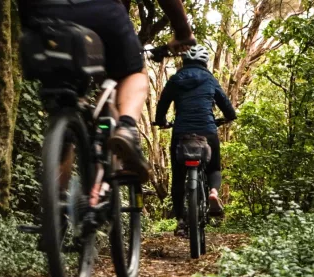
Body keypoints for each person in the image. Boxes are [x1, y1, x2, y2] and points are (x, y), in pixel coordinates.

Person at [17, 0, 195, 184]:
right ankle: (126, 128)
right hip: (100, 11)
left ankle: (56, 205)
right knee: (133, 73)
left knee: (64, 104)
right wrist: (183, 32)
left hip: (40, 14)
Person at [154, 45, 237, 237]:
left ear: (184, 61)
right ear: (204, 62)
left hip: (181, 133)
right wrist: (227, 118)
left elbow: (162, 105)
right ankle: (214, 192)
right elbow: (228, 109)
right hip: (207, 132)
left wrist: (161, 122)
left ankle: (181, 221)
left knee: (178, 177)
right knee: (214, 168)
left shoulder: (175, 80)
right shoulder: (210, 79)